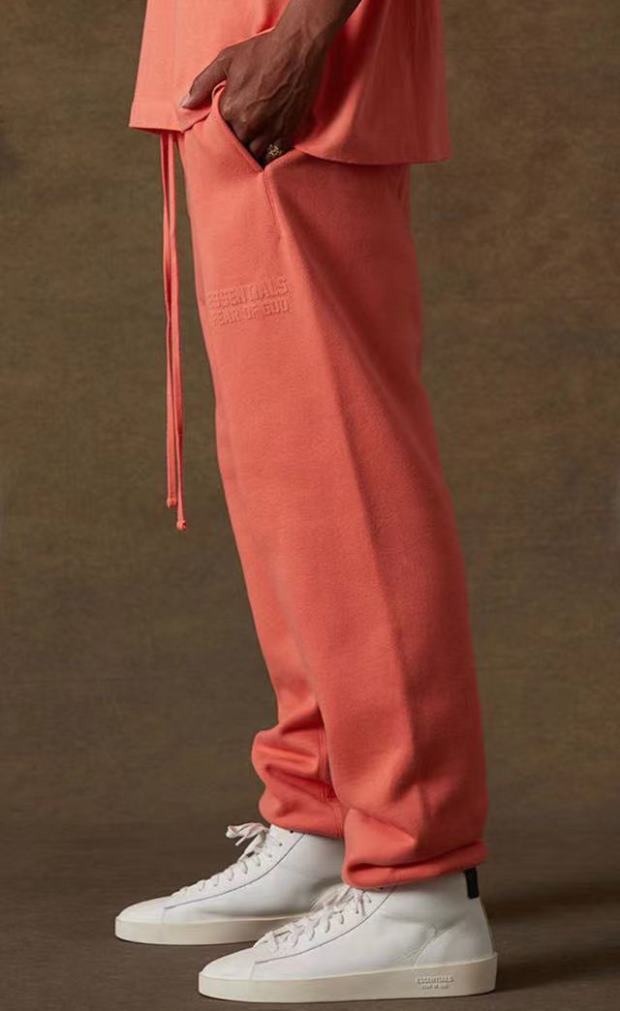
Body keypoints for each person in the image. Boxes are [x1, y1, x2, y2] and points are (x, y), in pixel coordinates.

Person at [115, 0, 497, 1001]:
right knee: (287, 485)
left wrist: (300, 38)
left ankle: (417, 882)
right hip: (233, 85)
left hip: (296, 80)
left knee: (346, 482)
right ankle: (325, 819)